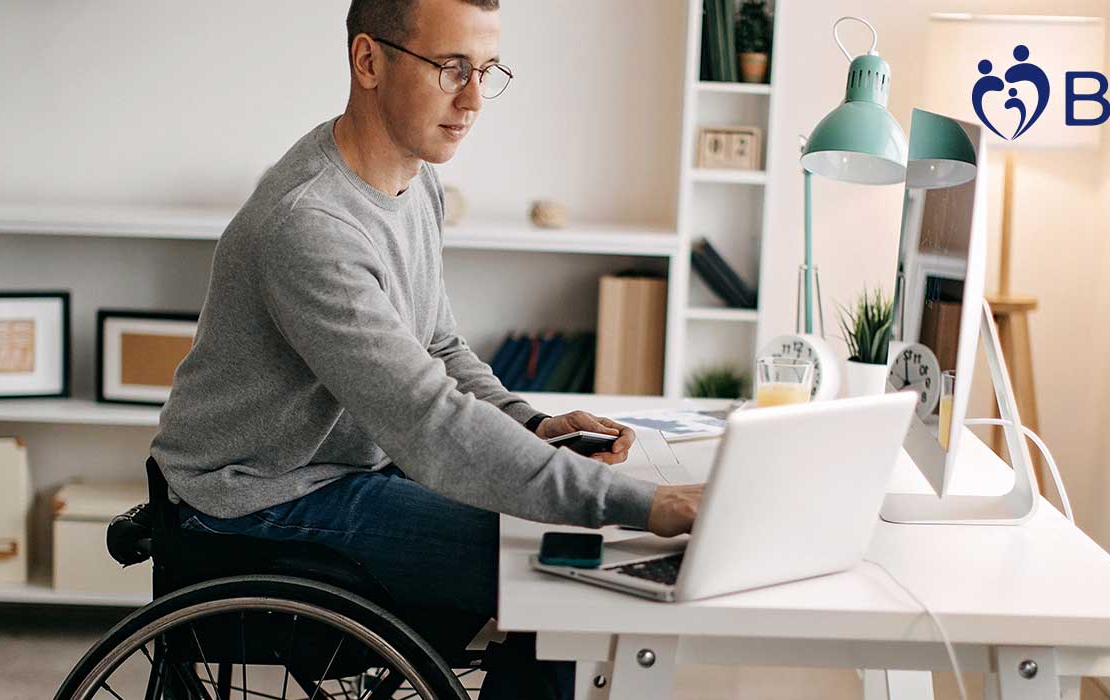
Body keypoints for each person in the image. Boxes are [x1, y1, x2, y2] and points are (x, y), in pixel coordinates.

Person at [148, 0, 704, 696]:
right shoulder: (309, 226)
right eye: (450, 68)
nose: (473, 100)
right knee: (556, 567)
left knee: (556, 553)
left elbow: (436, 345)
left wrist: (527, 421)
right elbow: (428, 421)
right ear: (368, 61)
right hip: (258, 497)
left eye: (486, 70)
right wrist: (642, 504)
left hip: (350, 467)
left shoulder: (417, 179)